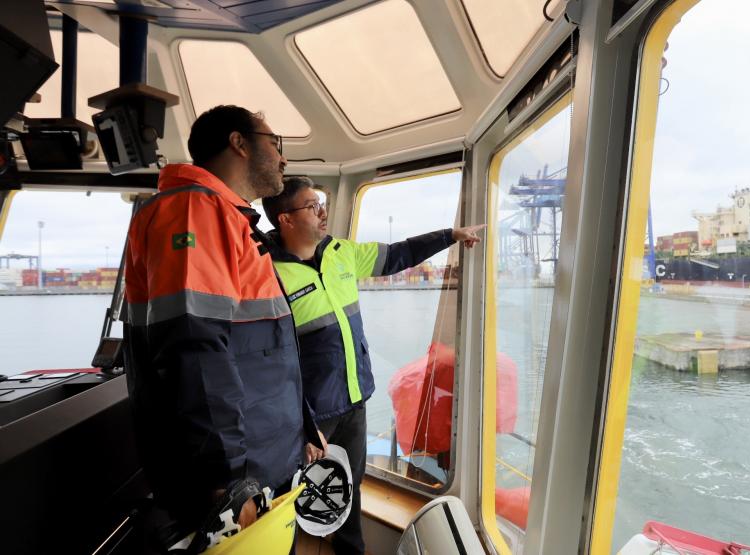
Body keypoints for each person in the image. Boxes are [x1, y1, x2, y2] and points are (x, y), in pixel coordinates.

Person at [123, 105, 326, 551]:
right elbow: (195, 351)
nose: (282, 158)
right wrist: (229, 481)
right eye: (276, 143)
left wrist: (303, 430)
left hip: (262, 457)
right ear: (239, 142)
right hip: (235, 474)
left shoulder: (230, 219)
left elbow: (261, 351)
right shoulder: (196, 210)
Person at [262, 176, 483, 554]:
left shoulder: (340, 252)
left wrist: (451, 234)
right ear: (285, 219)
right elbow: (269, 361)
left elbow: (398, 253)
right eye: (312, 205)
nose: (323, 212)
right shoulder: (267, 274)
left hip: (354, 399)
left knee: (351, 485)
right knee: (288, 493)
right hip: (311, 414)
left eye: (321, 203)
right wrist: (303, 423)